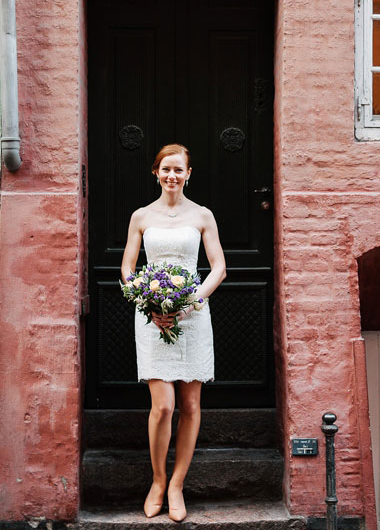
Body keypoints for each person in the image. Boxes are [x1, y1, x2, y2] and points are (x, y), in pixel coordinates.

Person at [120, 144, 226, 522]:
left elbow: (218, 268)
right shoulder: (141, 216)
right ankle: (158, 481)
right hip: (151, 316)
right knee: (163, 406)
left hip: (192, 315)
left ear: (189, 174)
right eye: (166, 169)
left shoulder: (202, 215)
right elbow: (128, 267)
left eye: (179, 170)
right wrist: (147, 303)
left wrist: (190, 301)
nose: (172, 176)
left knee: (192, 406)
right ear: (155, 172)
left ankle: (178, 483)